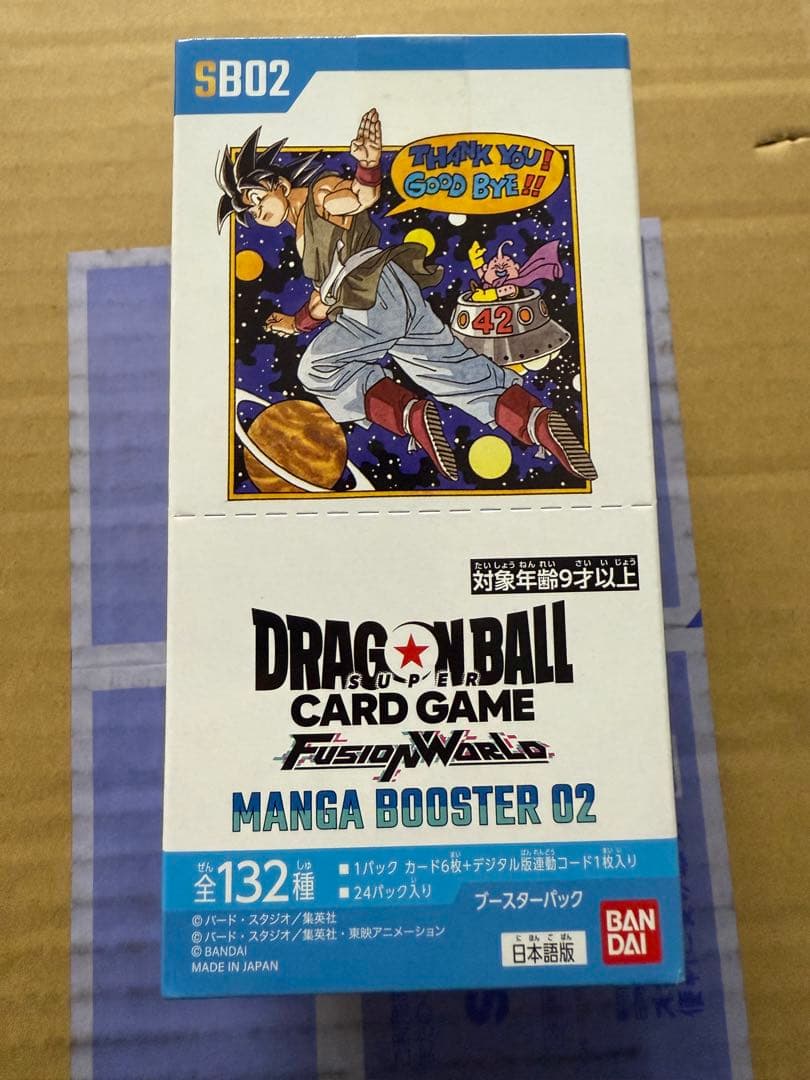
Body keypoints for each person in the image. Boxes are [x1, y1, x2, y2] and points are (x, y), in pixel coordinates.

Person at [216, 110, 597, 483]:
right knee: (453, 371)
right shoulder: (302, 226)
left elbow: (358, 198)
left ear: (279, 184)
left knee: (317, 368)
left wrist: (368, 166)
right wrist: (296, 323)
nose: (256, 211)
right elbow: (324, 298)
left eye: (256, 197)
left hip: (371, 299)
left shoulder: (319, 195)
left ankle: (409, 415)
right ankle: (537, 422)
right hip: (396, 291)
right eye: (249, 210)